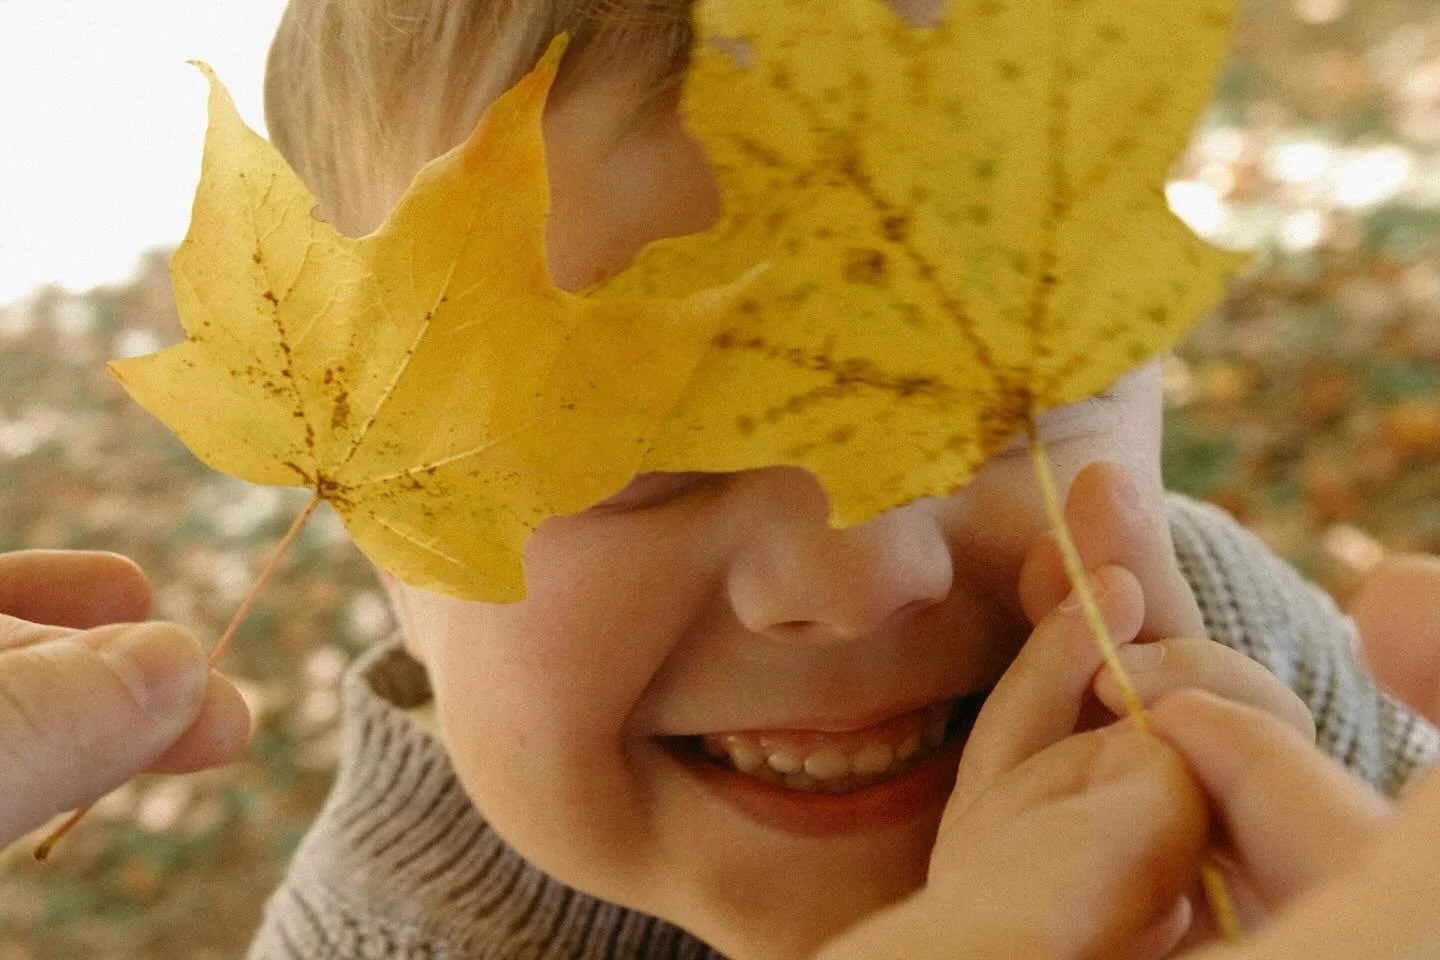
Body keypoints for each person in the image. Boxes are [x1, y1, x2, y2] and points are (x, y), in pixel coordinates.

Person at [5, 1, 1438, 957]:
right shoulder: (391, 939)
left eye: (996, 413)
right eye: (639, 466)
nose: (869, 565)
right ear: (381, 528)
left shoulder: (1252, 680)